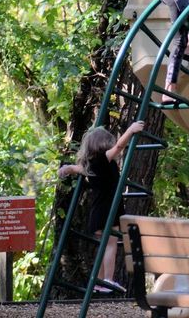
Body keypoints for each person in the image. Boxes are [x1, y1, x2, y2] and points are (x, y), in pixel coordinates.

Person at [58, 120, 145, 293]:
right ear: (103, 144)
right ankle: (108, 280)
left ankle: (98, 282)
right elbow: (120, 146)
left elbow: (75, 168)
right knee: (111, 244)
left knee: (103, 246)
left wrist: (65, 169)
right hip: (107, 211)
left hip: (98, 212)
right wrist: (131, 130)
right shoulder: (103, 159)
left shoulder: (89, 164)